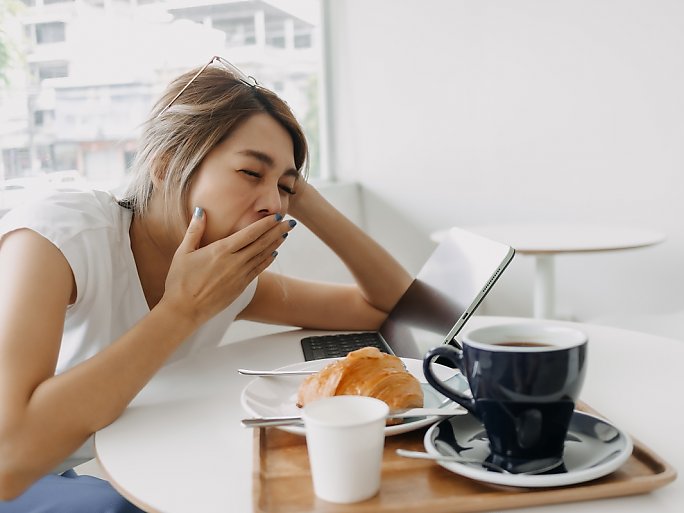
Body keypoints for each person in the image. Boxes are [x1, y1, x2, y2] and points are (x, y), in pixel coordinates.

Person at [0, 57, 412, 511]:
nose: (273, 204)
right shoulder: (58, 236)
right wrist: (181, 311)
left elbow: (386, 304)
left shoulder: (224, 279)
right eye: (251, 173)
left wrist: (302, 195)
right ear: (167, 164)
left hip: (53, 470)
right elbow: (9, 458)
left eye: (283, 188)